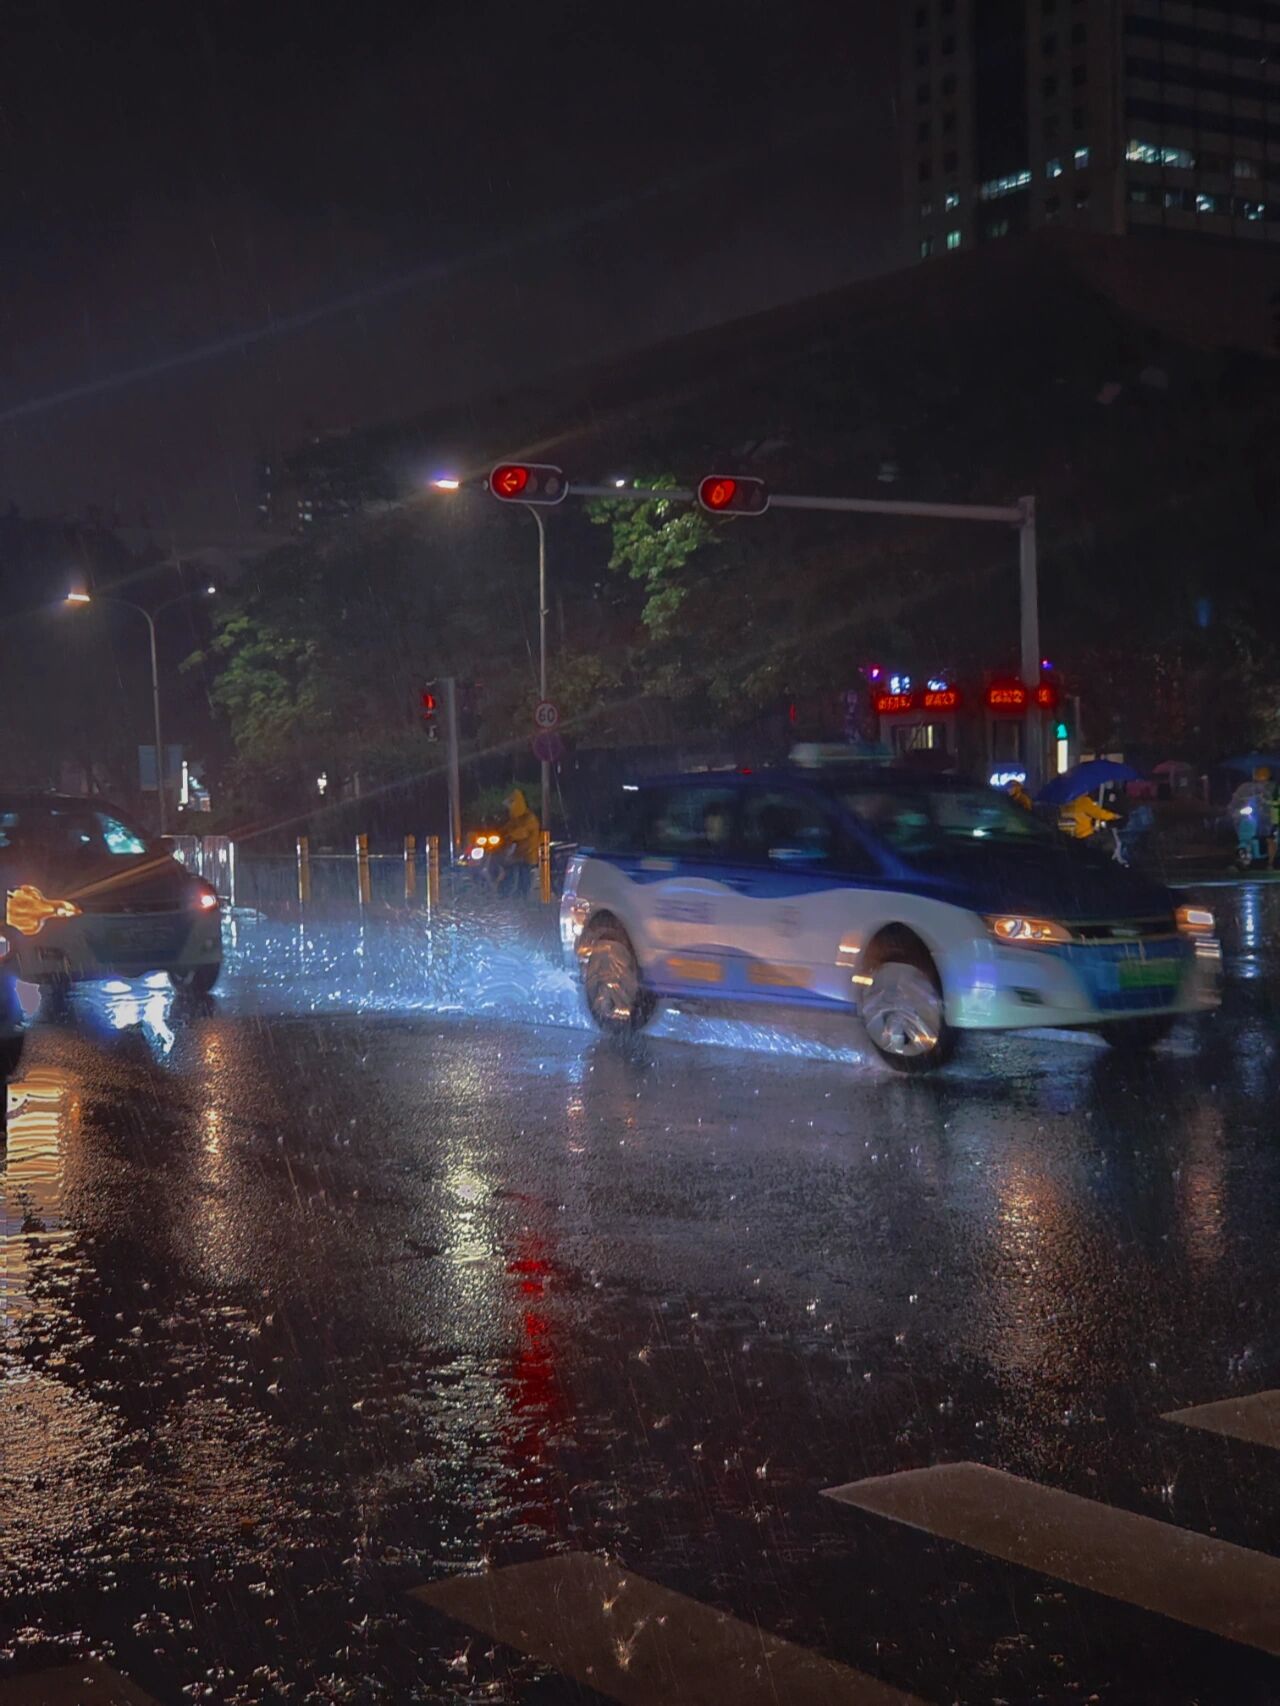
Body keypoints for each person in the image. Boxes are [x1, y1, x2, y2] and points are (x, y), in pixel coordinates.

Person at [499, 787, 541, 898]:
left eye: (511, 805)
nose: (509, 808)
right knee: (512, 873)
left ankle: (523, 897)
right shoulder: (514, 819)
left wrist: (508, 835)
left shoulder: (529, 818)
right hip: (517, 855)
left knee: (524, 877)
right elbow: (505, 829)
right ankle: (509, 895)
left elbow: (521, 832)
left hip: (528, 855)